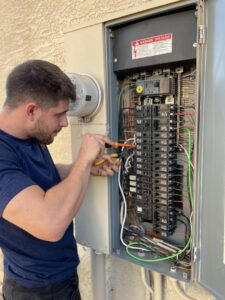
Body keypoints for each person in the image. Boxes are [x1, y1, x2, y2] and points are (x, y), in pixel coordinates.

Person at [0, 60, 119, 300]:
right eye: (59, 114)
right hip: (36, 291)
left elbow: (32, 179)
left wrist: (79, 169)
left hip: (57, 278)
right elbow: (50, 224)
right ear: (31, 110)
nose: (65, 122)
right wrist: (85, 159)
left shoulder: (28, 134)